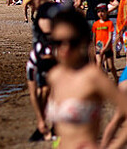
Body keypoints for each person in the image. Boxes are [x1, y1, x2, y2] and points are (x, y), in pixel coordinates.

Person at [47, 9, 127, 148]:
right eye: (58, 42)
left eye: (72, 42)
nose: (65, 48)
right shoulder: (55, 75)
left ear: (82, 41)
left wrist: (113, 147)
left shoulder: (92, 76)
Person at [24, 0, 59, 141]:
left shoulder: (45, 12)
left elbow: (50, 33)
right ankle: (44, 124)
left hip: (43, 58)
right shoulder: (52, 9)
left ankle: (44, 124)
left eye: (31, 3)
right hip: (42, 58)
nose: (30, 6)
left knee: (42, 92)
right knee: (44, 92)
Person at [92, 3, 118, 83]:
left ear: (106, 12)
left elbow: (110, 37)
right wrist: (93, 47)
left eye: (103, 11)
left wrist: (105, 47)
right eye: (99, 12)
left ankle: (116, 79)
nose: (101, 13)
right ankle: (103, 81)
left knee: (111, 66)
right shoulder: (95, 24)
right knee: (99, 64)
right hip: (98, 47)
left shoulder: (109, 23)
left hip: (107, 47)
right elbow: (94, 37)